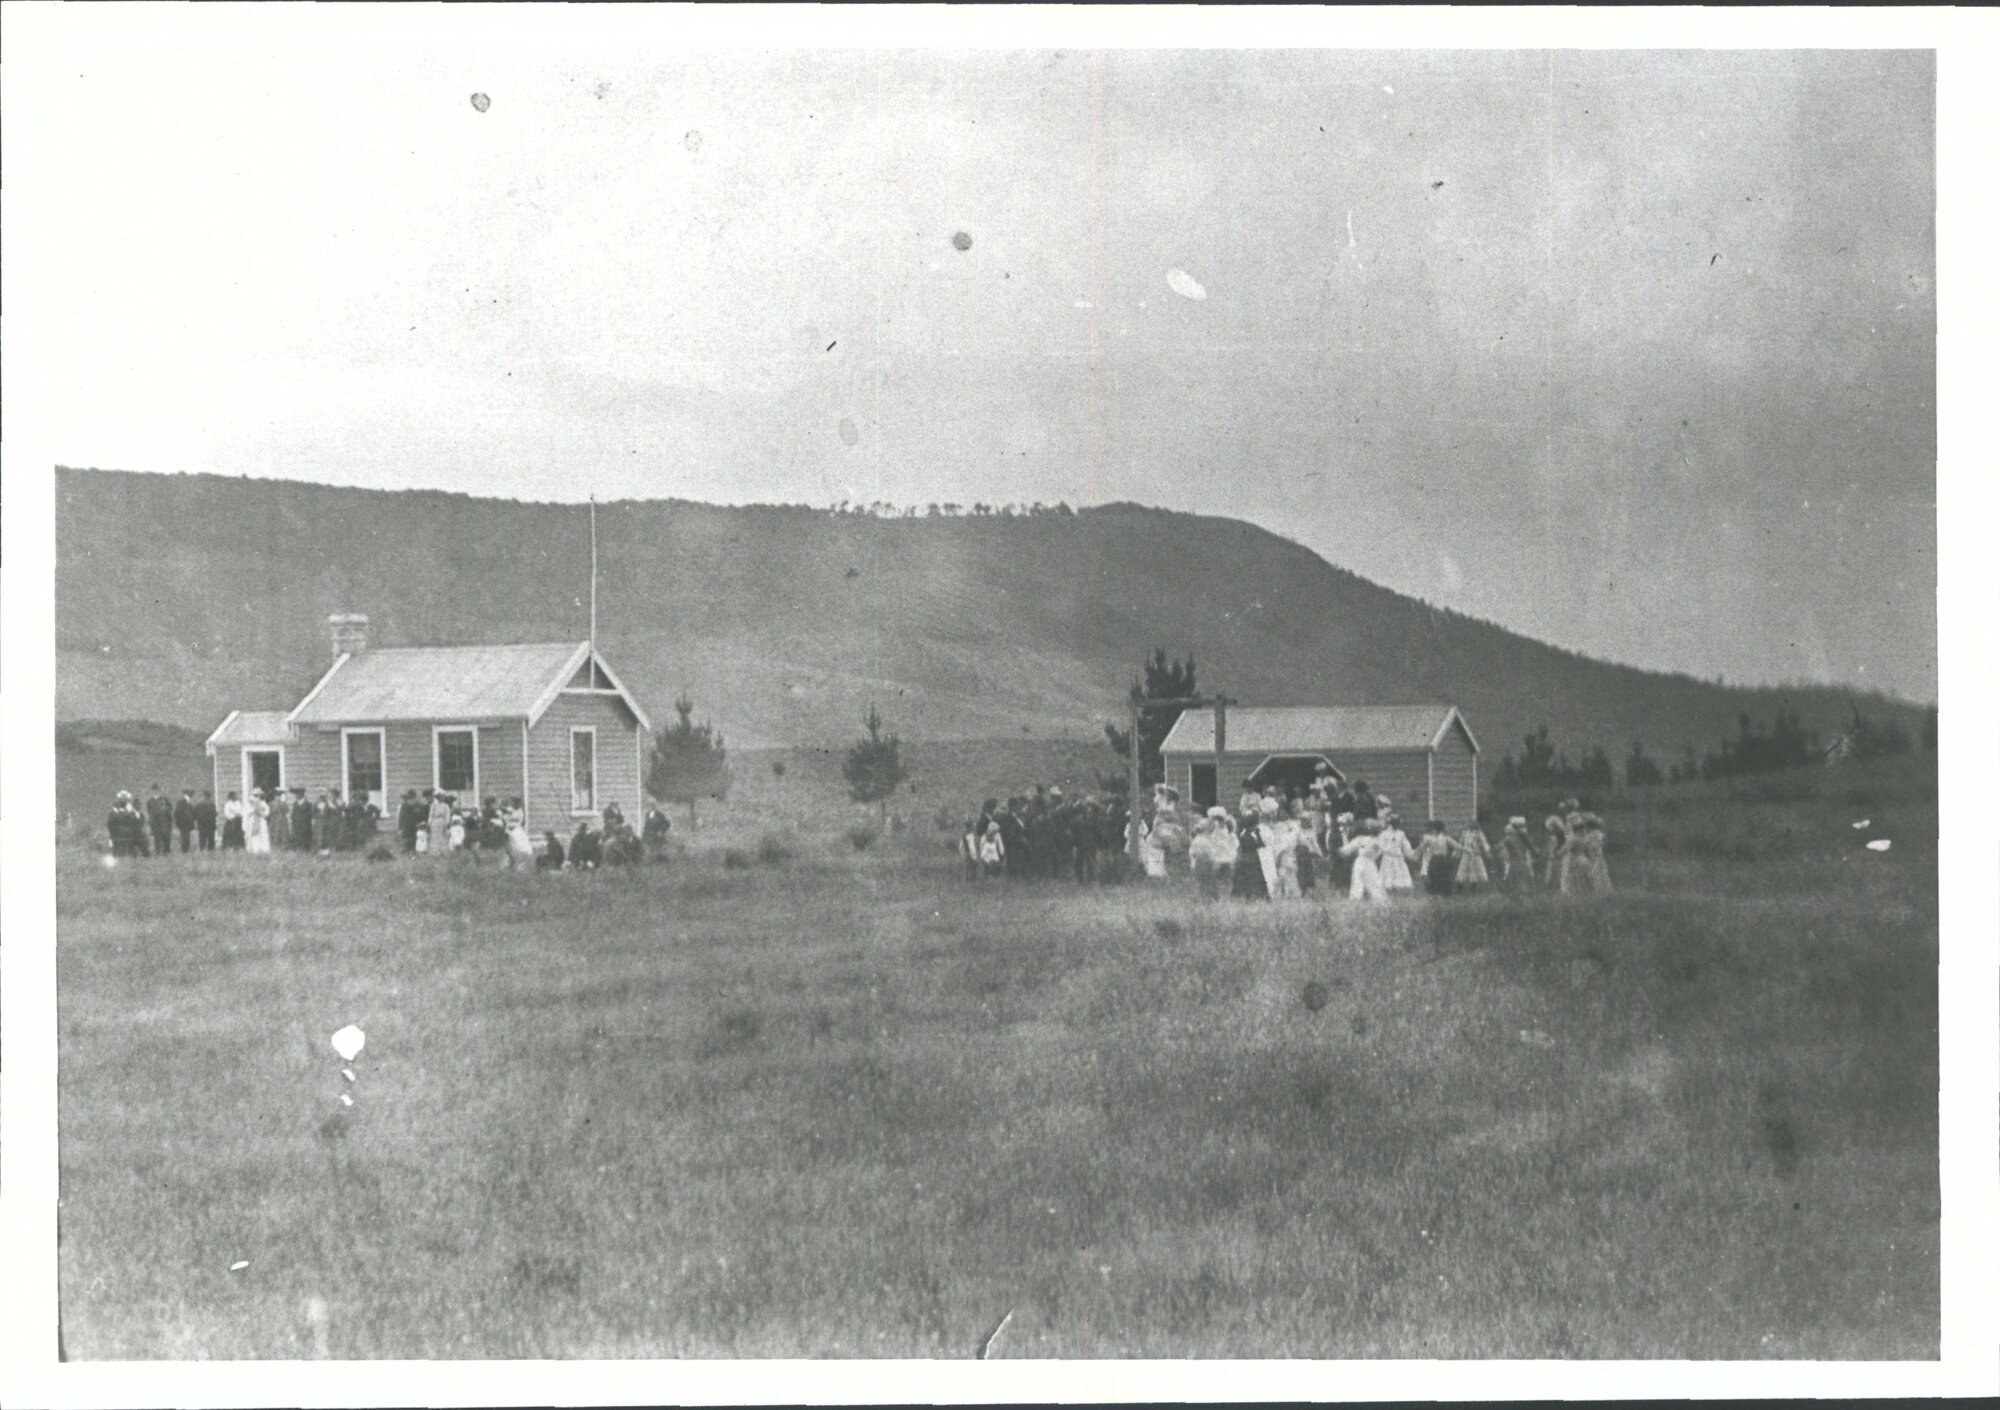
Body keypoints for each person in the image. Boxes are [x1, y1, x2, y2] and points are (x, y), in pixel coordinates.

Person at [1339, 818, 1389, 902]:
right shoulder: (1379, 842)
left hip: (1360, 862)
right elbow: (1378, 854)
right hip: (1370, 862)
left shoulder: (1361, 839)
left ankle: (1356, 898)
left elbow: (1346, 850)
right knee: (1374, 883)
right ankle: (1378, 899)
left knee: (1357, 881)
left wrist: (1343, 836)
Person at [1230, 803, 1269, 900]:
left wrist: (1257, 833)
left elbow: (1261, 845)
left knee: (1255, 878)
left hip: (1251, 858)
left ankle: (1258, 896)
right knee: (1250, 878)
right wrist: (1258, 834)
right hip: (1248, 859)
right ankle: (1250, 896)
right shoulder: (1245, 836)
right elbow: (1259, 845)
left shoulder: (1249, 834)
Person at [1413, 820, 1460, 897]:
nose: (1432, 830)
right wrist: (1414, 852)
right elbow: (1421, 847)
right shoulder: (1431, 838)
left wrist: (1467, 850)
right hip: (1435, 859)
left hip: (1440, 859)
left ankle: (1443, 892)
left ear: (1435, 829)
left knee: (1443, 876)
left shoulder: (1445, 838)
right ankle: (1437, 892)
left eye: (1433, 829)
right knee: (1435, 876)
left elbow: (1457, 846)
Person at [1376, 813, 1417, 894]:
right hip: (1388, 857)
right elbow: (1380, 846)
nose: (1396, 825)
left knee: (1399, 872)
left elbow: (1406, 845)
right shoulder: (1384, 834)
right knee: (1388, 873)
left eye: (1397, 823)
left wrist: (1410, 853)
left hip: (1398, 857)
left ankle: (1398, 887)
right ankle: (1389, 887)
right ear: (1390, 823)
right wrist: (1379, 853)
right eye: (1394, 823)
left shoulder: (1401, 834)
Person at [1499, 817, 1536, 888]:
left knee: (1520, 873)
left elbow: (1531, 847)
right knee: (1517, 873)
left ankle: (1522, 889)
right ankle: (1519, 889)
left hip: (1519, 859)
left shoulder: (1522, 836)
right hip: (1516, 859)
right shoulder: (1511, 838)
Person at [1454, 822, 1493, 890]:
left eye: (1472, 826)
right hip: (1466, 853)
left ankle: (1473, 886)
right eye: (1469, 825)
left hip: (1475, 853)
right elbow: (1461, 842)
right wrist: (1457, 852)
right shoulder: (1465, 833)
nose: (1470, 827)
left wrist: (1487, 851)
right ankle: (1459, 886)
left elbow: (1484, 842)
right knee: (1463, 869)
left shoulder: (1479, 833)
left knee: (1475, 869)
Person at [502, 798, 535, 870]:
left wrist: (512, 820)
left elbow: (520, 821)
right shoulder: (508, 810)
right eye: (513, 803)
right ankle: (509, 862)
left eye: (516, 803)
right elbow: (504, 818)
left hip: (516, 830)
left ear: (518, 804)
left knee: (519, 847)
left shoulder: (520, 811)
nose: (514, 804)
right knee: (509, 847)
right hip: (508, 830)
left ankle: (521, 864)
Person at [145, 785, 174, 857]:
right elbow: (149, 813)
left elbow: (170, 810)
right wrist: (151, 824)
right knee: (157, 842)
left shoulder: (165, 800)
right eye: (154, 790)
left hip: (165, 824)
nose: (155, 791)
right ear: (152, 791)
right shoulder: (150, 801)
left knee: (166, 842)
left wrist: (164, 809)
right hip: (156, 825)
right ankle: (158, 856)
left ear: (160, 790)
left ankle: (167, 856)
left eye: (157, 790)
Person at [243, 788, 272, 855]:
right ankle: (254, 850)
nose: (257, 797)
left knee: (262, 834)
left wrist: (260, 813)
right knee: (253, 836)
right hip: (252, 822)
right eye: (255, 795)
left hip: (261, 821)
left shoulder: (263, 803)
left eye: (258, 795)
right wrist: (253, 811)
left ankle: (263, 850)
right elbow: (246, 813)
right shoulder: (250, 804)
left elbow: (267, 813)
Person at [427, 788, 452, 857]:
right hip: (435, 822)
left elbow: (447, 815)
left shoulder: (446, 806)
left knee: (442, 836)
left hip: (442, 822)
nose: (441, 798)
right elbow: (431, 815)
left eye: (442, 797)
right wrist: (429, 823)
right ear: (437, 797)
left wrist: (447, 823)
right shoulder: (433, 805)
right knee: (435, 837)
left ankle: (443, 852)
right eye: (440, 797)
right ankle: (435, 852)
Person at [173, 789, 198, 853]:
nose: (192, 794)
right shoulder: (182, 802)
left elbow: (193, 814)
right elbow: (176, 813)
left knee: (186, 840)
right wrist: (180, 823)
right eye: (191, 793)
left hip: (187, 825)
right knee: (185, 840)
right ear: (188, 794)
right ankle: (184, 852)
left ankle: (185, 852)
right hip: (184, 825)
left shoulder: (188, 803)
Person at [268, 787, 292, 852]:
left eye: (279, 795)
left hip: (283, 820)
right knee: (275, 834)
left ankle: (284, 848)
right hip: (275, 821)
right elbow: (270, 812)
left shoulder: (283, 803)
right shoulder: (271, 803)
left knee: (283, 834)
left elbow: (287, 810)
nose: (278, 797)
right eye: (277, 795)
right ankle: (275, 848)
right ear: (274, 796)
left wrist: (282, 805)